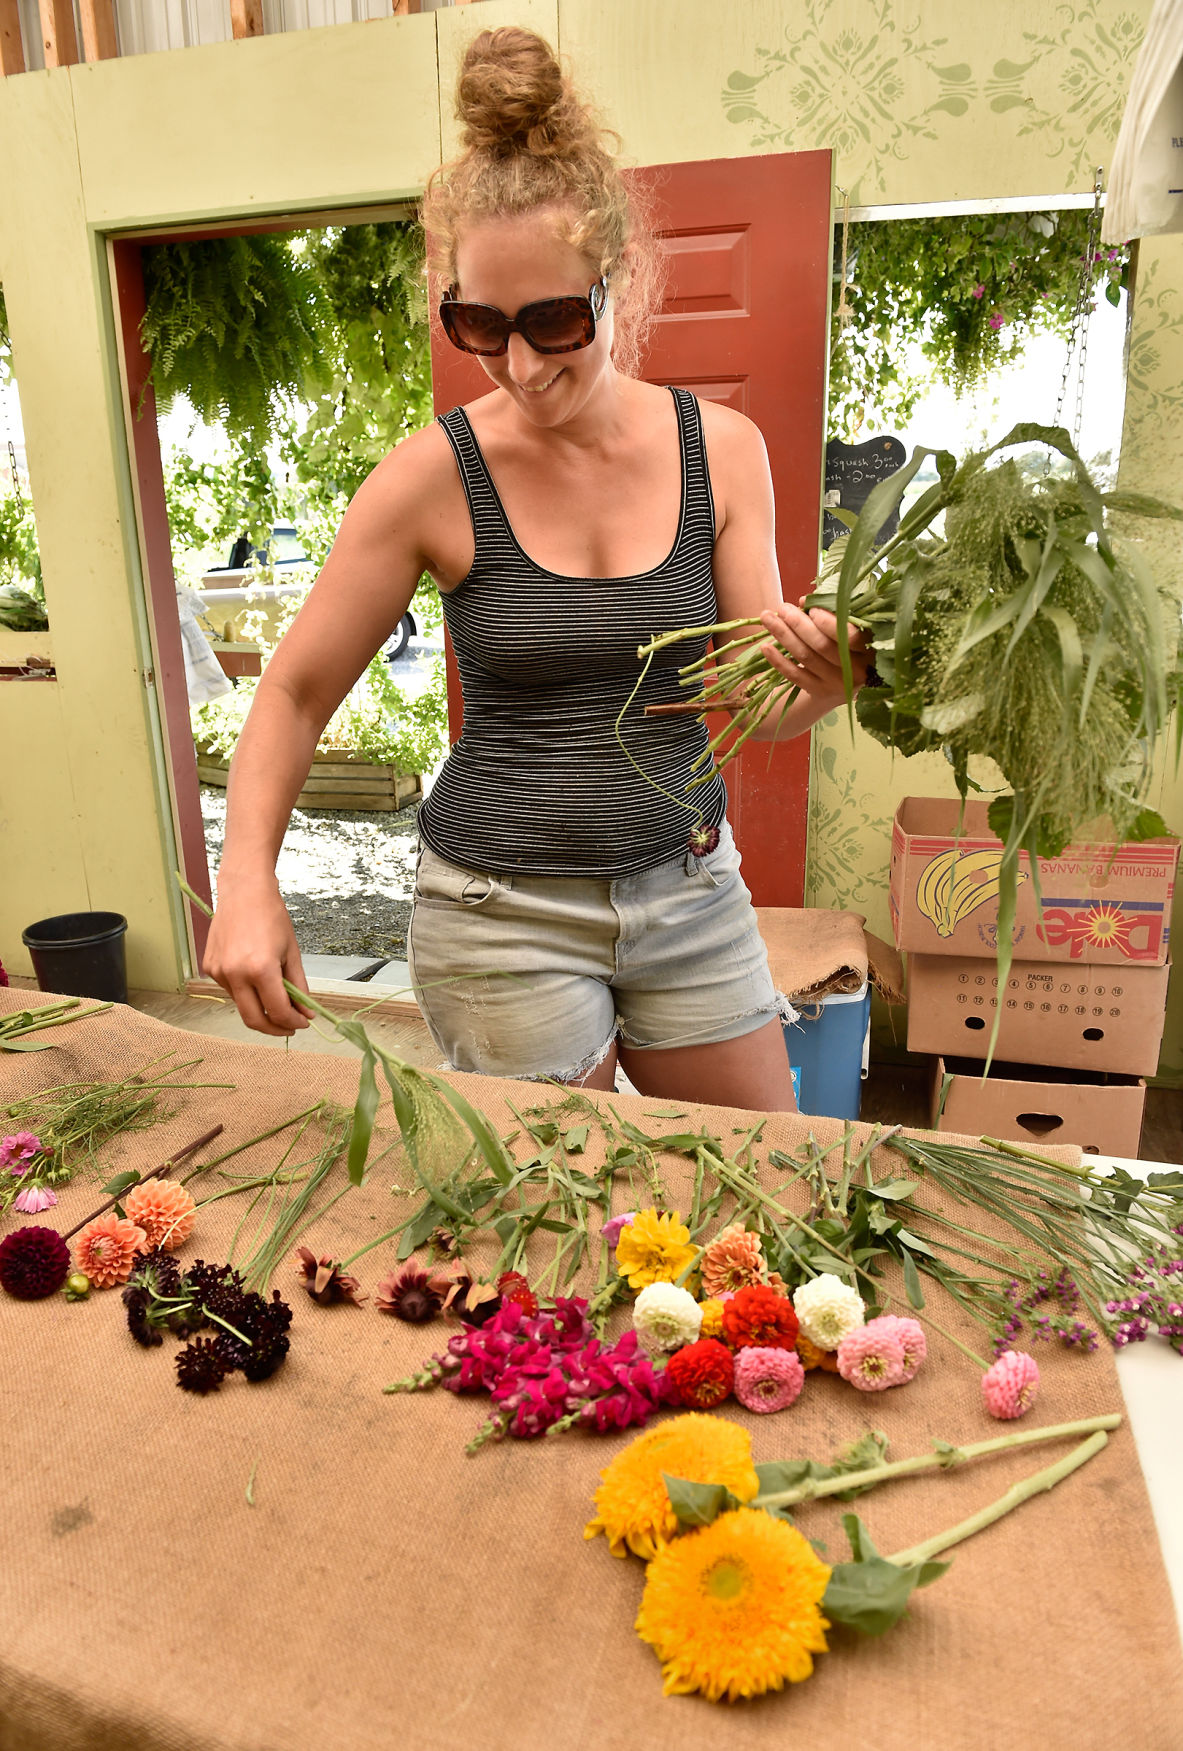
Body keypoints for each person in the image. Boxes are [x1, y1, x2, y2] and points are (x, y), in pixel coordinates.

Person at [203, 26, 867, 1110]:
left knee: (758, 1180)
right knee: (567, 1233)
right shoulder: (429, 480)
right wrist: (245, 880)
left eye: (554, 319)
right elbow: (296, 687)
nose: (519, 364)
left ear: (617, 279)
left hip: (689, 889)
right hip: (498, 913)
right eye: (480, 324)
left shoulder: (725, 452)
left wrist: (821, 689)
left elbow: (757, 707)